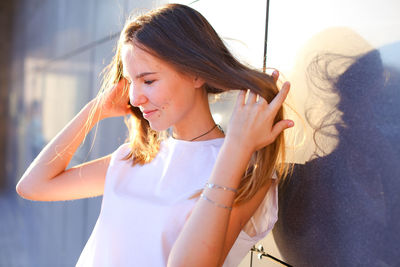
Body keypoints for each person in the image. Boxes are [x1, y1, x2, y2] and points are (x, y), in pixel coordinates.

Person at [16, 3, 293, 267]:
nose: (135, 97)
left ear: (196, 74)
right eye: (131, 81)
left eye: (148, 80)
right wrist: (95, 109)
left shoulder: (246, 170)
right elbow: (34, 186)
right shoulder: (134, 158)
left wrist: (235, 148)